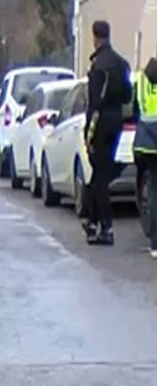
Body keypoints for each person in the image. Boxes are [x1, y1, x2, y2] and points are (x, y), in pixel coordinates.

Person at [84, 20, 132, 246]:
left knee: (100, 177)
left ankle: (106, 227)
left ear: (95, 38)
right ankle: (92, 221)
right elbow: (126, 96)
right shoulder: (121, 64)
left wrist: (88, 134)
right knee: (99, 174)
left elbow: (94, 104)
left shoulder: (98, 67)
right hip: (117, 122)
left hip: (101, 123)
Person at [135, 54, 157, 258]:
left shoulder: (142, 78)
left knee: (152, 192)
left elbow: (136, 107)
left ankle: (155, 244)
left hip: (146, 142)